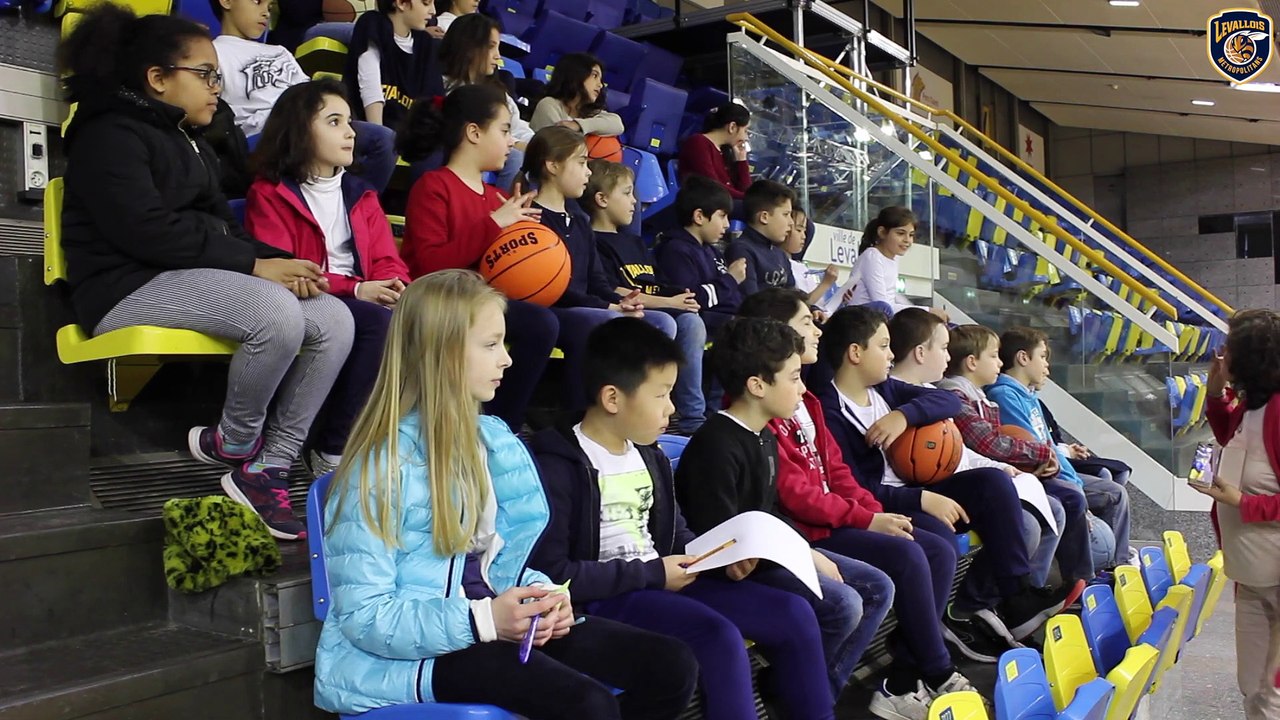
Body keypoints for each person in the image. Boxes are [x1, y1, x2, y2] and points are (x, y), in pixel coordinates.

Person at [313, 270, 698, 719]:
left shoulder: (493, 442)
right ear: (443, 352)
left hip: (490, 623)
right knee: (588, 707)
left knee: (671, 665)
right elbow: (365, 617)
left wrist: (546, 596)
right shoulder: (380, 467)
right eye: (491, 344)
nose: (508, 360)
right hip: (406, 657)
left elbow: (502, 565)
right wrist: (484, 620)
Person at [58, 5, 354, 540]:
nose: (218, 88)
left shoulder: (188, 140)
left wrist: (283, 263)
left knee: (333, 317)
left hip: (184, 276)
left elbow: (225, 229)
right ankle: (236, 441)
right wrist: (255, 267)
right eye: (206, 74)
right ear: (158, 79)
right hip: (122, 286)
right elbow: (147, 233)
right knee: (274, 311)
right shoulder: (106, 135)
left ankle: (269, 467)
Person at [528, 318, 835, 720]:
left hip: (662, 579)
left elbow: (674, 534)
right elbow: (555, 573)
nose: (672, 408)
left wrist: (720, 558)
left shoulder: (648, 454)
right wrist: (654, 574)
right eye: (661, 395)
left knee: (793, 612)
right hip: (604, 598)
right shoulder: (559, 464)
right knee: (717, 636)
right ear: (613, 398)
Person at [739, 290, 977, 720]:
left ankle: (900, 676)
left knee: (938, 547)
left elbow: (838, 473)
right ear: (773, 336)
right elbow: (798, 497)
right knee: (904, 560)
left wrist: (874, 513)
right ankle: (932, 670)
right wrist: (868, 518)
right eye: (806, 323)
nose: (816, 329)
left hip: (839, 516)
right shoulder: (778, 409)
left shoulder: (807, 400)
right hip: (811, 530)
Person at [815, 307, 1069, 661]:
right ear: (855, 353)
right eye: (884, 346)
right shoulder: (829, 410)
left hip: (915, 487)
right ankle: (921, 647)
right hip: (888, 501)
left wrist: (904, 415)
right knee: (940, 542)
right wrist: (922, 499)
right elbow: (857, 488)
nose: (891, 355)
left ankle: (1016, 593)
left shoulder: (885, 390)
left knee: (993, 481)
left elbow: (946, 400)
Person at [674, 316, 894, 702]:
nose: (803, 388)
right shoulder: (716, 445)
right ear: (757, 385)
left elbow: (770, 514)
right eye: (793, 378)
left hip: (769, 555)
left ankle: (805, 694)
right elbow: (722, 541)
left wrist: (803, 552)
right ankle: (801, 694)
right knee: (843, 604)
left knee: (878, 586)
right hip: (735, 571)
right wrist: (804, 555)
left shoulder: (764, 435)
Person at [245, 79, 410, 478]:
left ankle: (403, 446)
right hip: (303, 300)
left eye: (349, 121)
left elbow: (388, 259)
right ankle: (331, 449)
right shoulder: (270, 193)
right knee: (377, 323)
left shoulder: (362, 194)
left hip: (361, 297)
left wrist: (392, 284)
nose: (351, 132)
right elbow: (285, 269)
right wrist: (356, 288)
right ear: (300, 130)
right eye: (335, 122)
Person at [886, 311, 1081, 610]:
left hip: (943, 481)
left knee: (1030, 495)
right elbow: (982, 442)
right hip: (915, 490)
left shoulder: (936, 393)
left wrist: (1003, 466)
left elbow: (960, 448)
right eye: (943, 348)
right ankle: (986, 604)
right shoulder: (909, 393)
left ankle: (1020, 595)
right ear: (921, 353)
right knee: (1026, 517)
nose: (948, 356)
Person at [399, 84, 558, 431]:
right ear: (474, 133)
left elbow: (507, 267)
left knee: (549, 322)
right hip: (439, 301)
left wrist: (528, 243)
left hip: (481, 302)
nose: (511, 142)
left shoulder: (498, 196)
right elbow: (430, 267)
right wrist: (495, 224)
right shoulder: (433, 186)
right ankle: (498, 425)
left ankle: (498, 428)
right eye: (504, 130)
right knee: (539, 324)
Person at [516, 126, 681, 413]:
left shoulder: (580, 221)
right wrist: (607, 306)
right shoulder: (531, 218)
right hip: (553, 307)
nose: (588, 172)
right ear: (553, 166)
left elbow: (597, 281)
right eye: (582, 163)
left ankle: (637, 412)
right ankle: (578, 418)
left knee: (663, 323)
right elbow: (556, 289)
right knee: (597, 320)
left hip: (588, 305)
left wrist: (621, 302)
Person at [937, 324, 1094, 593]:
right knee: (1038, 520)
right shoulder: (954, 396)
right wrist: (1043, 454)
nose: (1000, 363)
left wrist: (1036, 463)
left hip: (1000, 478)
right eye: (994, 356)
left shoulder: (981, 398)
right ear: (972, 362)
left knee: (1065, 502)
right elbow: (990, 444)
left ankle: (1037, 588)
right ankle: (999, 597)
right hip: (975, 487)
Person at [1191, 309, 1280, 720]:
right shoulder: (1252, 406)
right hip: (1250, 574)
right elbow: (1230, 434)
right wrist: (1215, 393)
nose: (1222, 353)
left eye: (1230, 346)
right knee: (1251, 686)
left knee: (1273, 692)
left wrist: (1242, 502)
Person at [208, 0, 398, 192]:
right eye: (257, 2)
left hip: (308, 121)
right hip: (265, 132)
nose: (266, 13)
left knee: (383, 139)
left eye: (270, 7)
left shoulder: (280, 51)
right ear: (227, 1)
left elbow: (310, 93)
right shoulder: (213, 53)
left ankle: (355, 205)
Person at [985, 327, 1132, 571]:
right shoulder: (1004, 395)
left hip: (1055, 473)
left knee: (1109, 486)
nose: (1047, 366)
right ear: (1023, 358)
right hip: (1036, 477)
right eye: (1043, 357)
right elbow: (1037, 450)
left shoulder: (1028, 396)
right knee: (1109, 494)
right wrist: (1075, 485)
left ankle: (1115, 564)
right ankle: (1107, 569)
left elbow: (1049, 446)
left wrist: (1074, 479)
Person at [585, 160, 706, 434]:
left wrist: (681, 296)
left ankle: (692, 417)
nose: (635, 202)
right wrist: (669, 303)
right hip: (627, 313)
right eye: (627, 193)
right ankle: (650, 408)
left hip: (657, 307)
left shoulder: (636, 242)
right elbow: (612, 290)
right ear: (602, 200)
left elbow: (658, 283)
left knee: (691, 321)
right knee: (667, 321)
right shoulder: (594, 240)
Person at [432, 13, 532, 191]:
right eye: (491, 47)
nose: (498, 56)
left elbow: (518, 128)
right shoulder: (442, 85)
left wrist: (539, 147)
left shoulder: (498, 92)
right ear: (470, 47)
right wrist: (516, 144)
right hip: (462, 151)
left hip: (502, 147)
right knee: (516, 157)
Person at [653, 175, 748, 335]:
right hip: (710, 329)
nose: (727, 224)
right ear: (699, 216)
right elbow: (692, 300)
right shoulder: (674, 251)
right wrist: (731, 279)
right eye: (722, 216)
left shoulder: (712, 251)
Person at [343, 0, 444, 128]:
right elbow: (370, 88)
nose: (433, 11)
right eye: (426, 3)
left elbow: (434, 100)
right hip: (372, 129)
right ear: (401, 3)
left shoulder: (425, 42)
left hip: (410, 135)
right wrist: (378, 133)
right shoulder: (373, 24)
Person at [835, 206, 946, 319]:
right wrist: (927, 311)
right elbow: (883, 306)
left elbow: (893, 298)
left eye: (911, 235)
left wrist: (924, 312)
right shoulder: (872, 256)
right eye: (900, 233)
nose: (907, 240)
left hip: (877, 320)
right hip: (860, 322)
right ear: (882, 232)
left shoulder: (894, 258)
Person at [530, 52, 624, 163]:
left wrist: (578, 125)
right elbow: (561, 149)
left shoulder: (590, 112)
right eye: (595, 76)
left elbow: (617, 124)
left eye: (600, 79)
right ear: (576, 75)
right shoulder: (549, 104)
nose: (600, 84)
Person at [726, 179, 796, 296]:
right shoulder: (741, 250)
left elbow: (794, 295)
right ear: (764, 217)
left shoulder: (780, 254)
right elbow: (751, 300)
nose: (791, 222)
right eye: (786, 214)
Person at [678, 102, 752, 200]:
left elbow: (745, 189)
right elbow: (713, 186)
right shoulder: (698, 143)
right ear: (732, 127)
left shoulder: (725, 151)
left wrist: (741, 161)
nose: (746, 138)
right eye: (745, 131)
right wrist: (749, 200)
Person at [786, 207, 839, 309]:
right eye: (798, 230)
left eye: (805, 231)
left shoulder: (800, 266)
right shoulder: (783, 267)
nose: (804, 236)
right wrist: (826, 283)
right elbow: (801, 305)